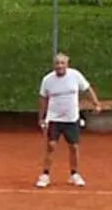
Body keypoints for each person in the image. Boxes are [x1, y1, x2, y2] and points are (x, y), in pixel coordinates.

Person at [35, 51, 102, 188]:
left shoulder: (75, 76)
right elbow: (42, 99)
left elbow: (87, 89)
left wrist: (96, 103)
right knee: (51, 146)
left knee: (74, 146)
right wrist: (41, 118)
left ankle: (74, 174)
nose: (60, 66)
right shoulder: (47, 80)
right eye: (57, 63)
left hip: (72, 118)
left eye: (62, 63)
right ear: (54, 65)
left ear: (67, 64)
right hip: (54, 118)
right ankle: (45, 175)